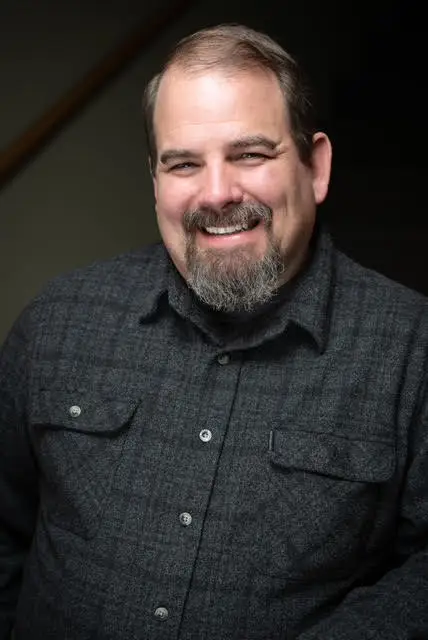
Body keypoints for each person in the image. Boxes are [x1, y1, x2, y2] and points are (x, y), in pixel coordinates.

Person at [0, 23, 427, 640]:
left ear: (316, 168)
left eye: (250, 154)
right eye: (184, 164)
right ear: (155, 182)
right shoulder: (58, 320)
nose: (218, 192)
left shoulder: (411, 349)